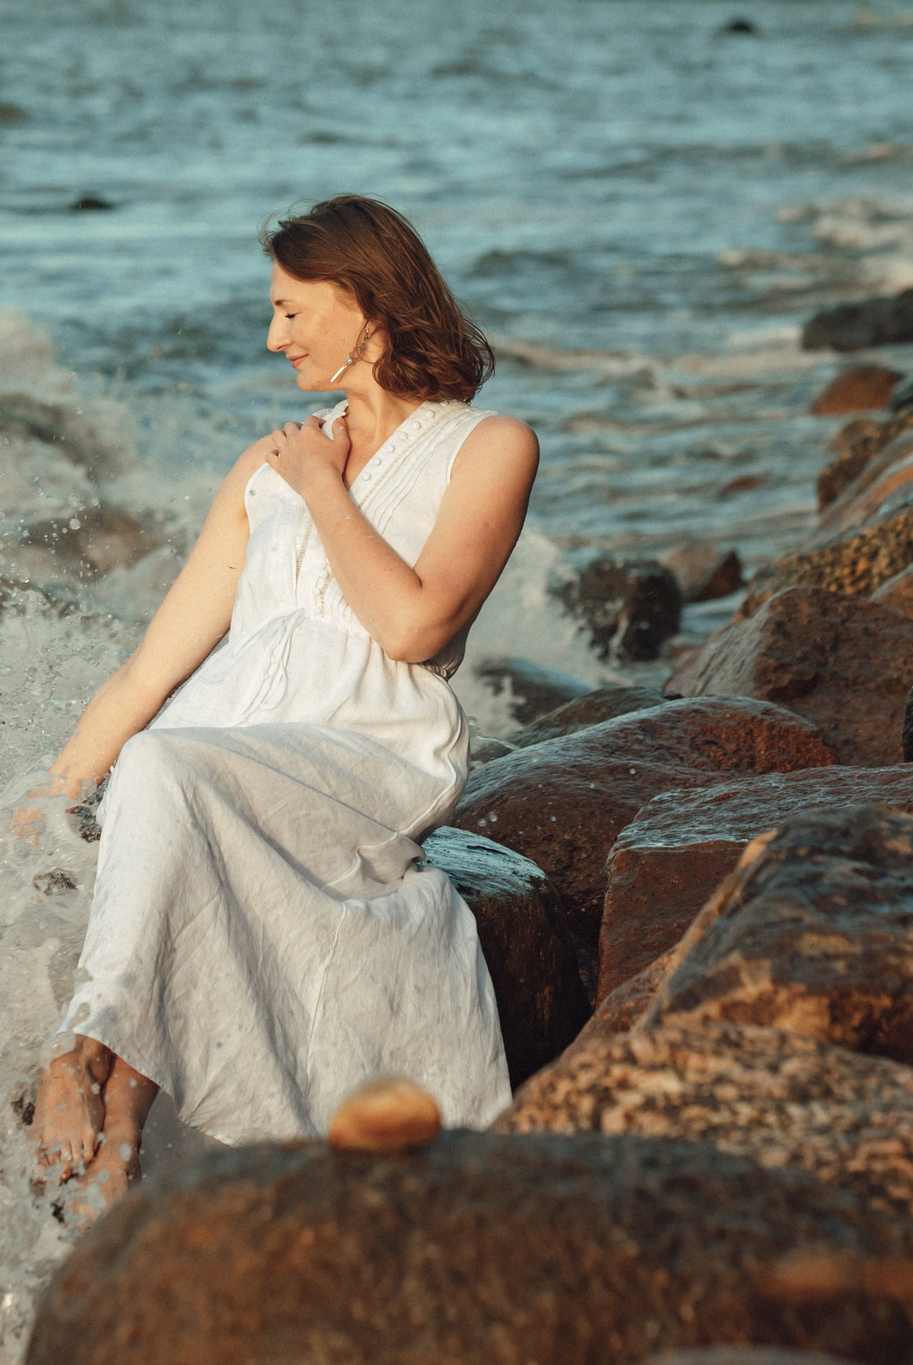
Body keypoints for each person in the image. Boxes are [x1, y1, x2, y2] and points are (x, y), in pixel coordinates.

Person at [28, 194, 539, 1217]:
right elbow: (148, 670)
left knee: (171, 771)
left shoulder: (488, 447)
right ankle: (123, 1121)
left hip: (364, 750)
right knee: (160, 767)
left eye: (292, 311)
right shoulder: (263, 465)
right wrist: (40, 802)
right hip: (221, 740)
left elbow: (414, 629)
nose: (274, 339)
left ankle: (84, 1045)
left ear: (367, 303)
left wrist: (322, 485)